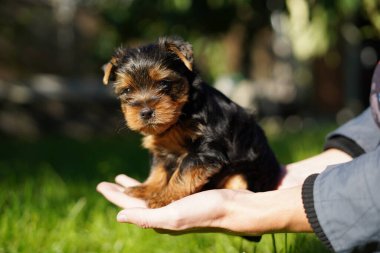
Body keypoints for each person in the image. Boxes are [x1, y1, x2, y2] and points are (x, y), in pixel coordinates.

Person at [97, 63, 380, 253]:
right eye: (127, 92)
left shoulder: (203, 115)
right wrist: (153, 185)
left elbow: (207, 157)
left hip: (246, 176)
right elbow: (165, 156)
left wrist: (174, 194)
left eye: (164, 86)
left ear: (185, 69)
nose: (145, 104)